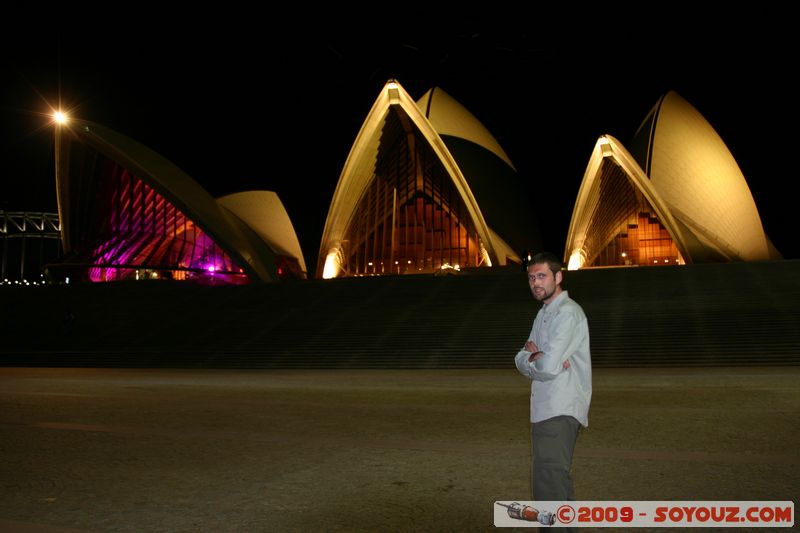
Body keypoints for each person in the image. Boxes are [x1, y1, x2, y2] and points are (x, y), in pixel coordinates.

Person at [514, 251, 592, 514]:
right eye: (531, 277)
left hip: (559, 409)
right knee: (555, 484)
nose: (536, 282)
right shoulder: (544, 313)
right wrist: (536, 358)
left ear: (558, 277)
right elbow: (521, 358)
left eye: (542, 276)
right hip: (547, 408)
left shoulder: (567, 314)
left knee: (548, 487)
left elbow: (545, 367)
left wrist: (538, 359)